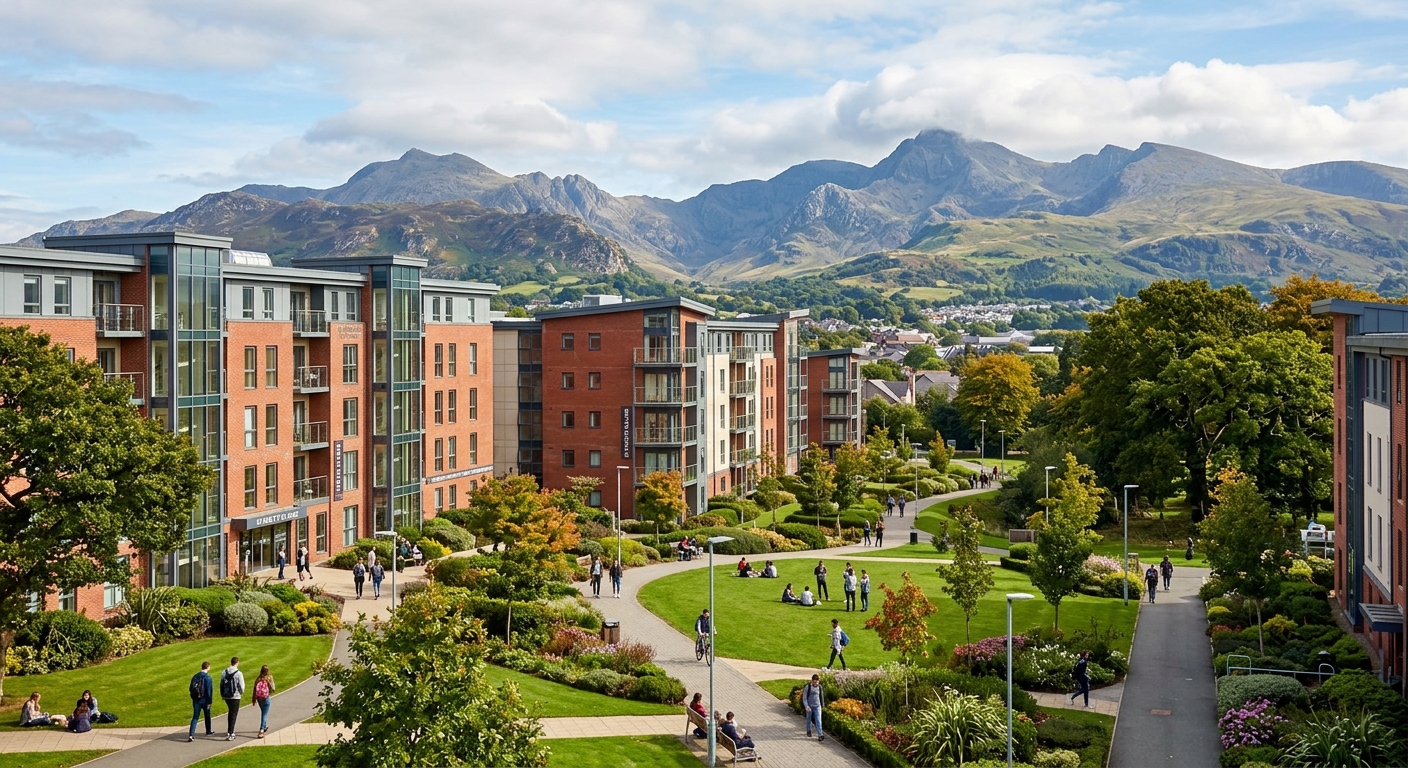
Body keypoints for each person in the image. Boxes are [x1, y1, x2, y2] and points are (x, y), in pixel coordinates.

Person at [220, 656, 245, 741]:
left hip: (227, 696)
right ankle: (231, 733)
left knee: (231, 712)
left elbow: (221, 684)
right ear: (237, 663)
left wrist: (223, 694)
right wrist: (240, 693)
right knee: (233, 714)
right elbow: (242, 686)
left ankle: (230, 730)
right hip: (235, 696)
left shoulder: (224, 672)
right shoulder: (238, 673)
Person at [188, 660, 213, 741]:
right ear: (208, 667)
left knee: (195, 717)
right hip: (205, 700)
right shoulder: (208, 678)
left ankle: (191, 734)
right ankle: (208, 731)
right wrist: (209, 702)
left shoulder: (195, 676)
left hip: (196, 700)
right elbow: (209, 691)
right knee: (207, 715)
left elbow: (191, 688)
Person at [253, 665, 275, 738]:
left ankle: (264, 726)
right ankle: (261, 730)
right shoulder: (269, 678)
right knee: (264, 714)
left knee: (263, 712)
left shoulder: (258, 679)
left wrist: (254, 699)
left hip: (259, 699)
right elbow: (273, 688)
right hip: (266, 698)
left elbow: (254, 690)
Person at [802, 674, 824, 741]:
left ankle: (820, 735)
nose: (815, 684)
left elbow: (821, 696)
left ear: (818, 681)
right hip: (809, 707)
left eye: (816, 682)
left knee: (818, 720)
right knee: (809, 719)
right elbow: (804, 698)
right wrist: (806, 706)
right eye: (814, 682)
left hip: (817, 706)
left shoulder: (819, 687)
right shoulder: (808, 687)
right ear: (812, 681)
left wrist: (822, 705)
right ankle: (808, 730)